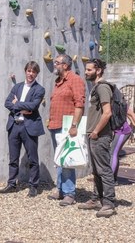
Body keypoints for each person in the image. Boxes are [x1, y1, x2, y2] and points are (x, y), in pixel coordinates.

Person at [0, 61, 45, 197]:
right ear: (25, 71)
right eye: (29, 71)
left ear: (37, 74)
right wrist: (22, 107)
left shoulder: (39, 89)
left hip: (29, 127)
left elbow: (33, 106)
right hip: (14, 126)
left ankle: (33, 186)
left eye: (34, 72)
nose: (31, 74)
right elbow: (7, 103)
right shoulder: (17, 87)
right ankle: (12, 184)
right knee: (13, 158)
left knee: (32, 158)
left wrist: (17, 103)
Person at [78, 58, 117, 218]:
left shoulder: (102, 88)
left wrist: (95, 131)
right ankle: (96, 198)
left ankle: (108, 203)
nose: (86, 72)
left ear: (98, 70)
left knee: (104, 169)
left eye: (89, 70)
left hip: (100, 136)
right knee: (96, 170)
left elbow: (107, 113)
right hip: (94, 135)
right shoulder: (96, 88)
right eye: (86, 70)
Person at [47, 54, 85, 206]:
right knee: (60, 160)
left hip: (67, 127)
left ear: (65, 65)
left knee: (68, 159)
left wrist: (74, 125)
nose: (54, 65)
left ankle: (69, 193)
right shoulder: (58, 82)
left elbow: (79, 104)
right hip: (55, 125)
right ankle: (61, 189)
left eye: (57, 62)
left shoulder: (75, 80)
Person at [111, 106, 135, 181]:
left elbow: (132, 114)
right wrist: (133, 123)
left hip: (122, 132)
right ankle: (113, 179)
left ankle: (110, 180)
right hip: (121, 131)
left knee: (112, 153)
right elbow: (129, 115)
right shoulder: (117, 101)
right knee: (115, 154)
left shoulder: (117, 102)